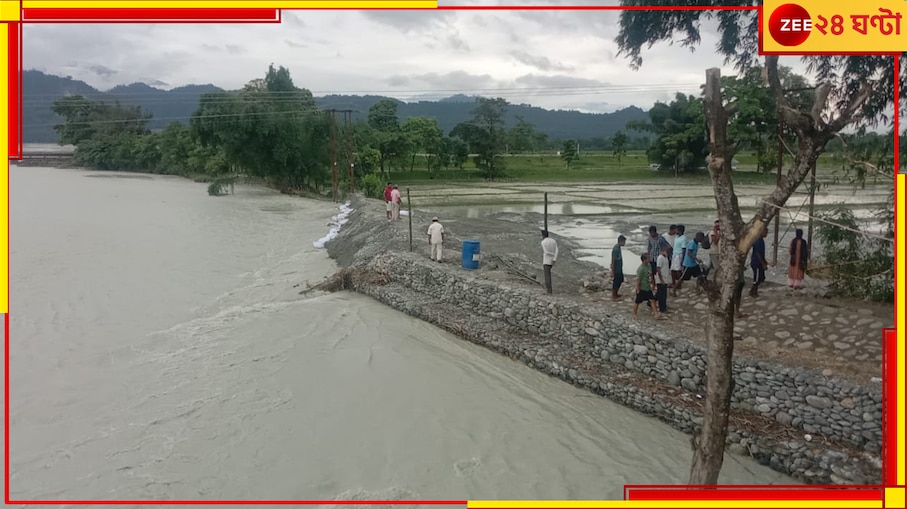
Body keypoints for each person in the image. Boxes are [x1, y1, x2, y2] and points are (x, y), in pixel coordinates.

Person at [634, 253, 662, 319]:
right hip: (642, 288)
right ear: (644, 260)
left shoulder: (649, 266)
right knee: (637, 302)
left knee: (652, 300)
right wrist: (638, 289)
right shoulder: (641, 269)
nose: (649, 259)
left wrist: (653, 284)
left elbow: (651, 275)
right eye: (648, 258)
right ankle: (635, 313)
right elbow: (638, 280)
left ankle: (656, 313)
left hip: (648, 287)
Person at [750, 227, 768, 297]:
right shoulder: (758, 240)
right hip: (756, 263)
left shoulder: (761, 240)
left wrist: (764, 261)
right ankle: (753, 291)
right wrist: (763, 263)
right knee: (756, 278)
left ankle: (753, 290)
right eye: (765, 232)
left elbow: (761, 253)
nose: (766, 234)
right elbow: (757, 253)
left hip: (759, 262)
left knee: (761, 277)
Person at [541, 230, 558, 294]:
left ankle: (549, 290)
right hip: (552, 260)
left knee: (547, 276)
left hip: (546, 260)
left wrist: (551, 254)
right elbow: (556, 250)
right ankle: (549, 289)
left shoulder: (543, 242)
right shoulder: (553, 241)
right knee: (549, 275)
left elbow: (546, 251)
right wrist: (554, 258)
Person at [655, 243, 671, 314]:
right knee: (662, 295)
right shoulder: (660, 258)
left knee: (659, 293)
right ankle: (662, 308)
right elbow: (658, 269)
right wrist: (661, 280)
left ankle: (651, 302)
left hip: (665, 277)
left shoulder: (665, 257)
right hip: (661, 279)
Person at [670, 225, 687, 292]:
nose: (675, 231)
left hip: (679, 255)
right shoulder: (676, 237)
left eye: (676, 230)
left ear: (679, 230)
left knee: (678, 270)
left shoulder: (683, 238)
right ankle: (673, 282)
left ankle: (679, 284)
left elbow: (684, 249)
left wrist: (682, 259)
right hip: (674, 254)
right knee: (672, 269)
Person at [610, 235, 627, 301]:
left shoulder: (619, 247)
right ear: (621, 241)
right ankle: (614, 294)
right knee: (616, 281)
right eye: (624, 242)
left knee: (620, 280)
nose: (624, 243)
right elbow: (613, 260)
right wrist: (612, 271)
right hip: (616, 269)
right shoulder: (616, 249)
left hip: (619, 269)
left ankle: (616, 293)